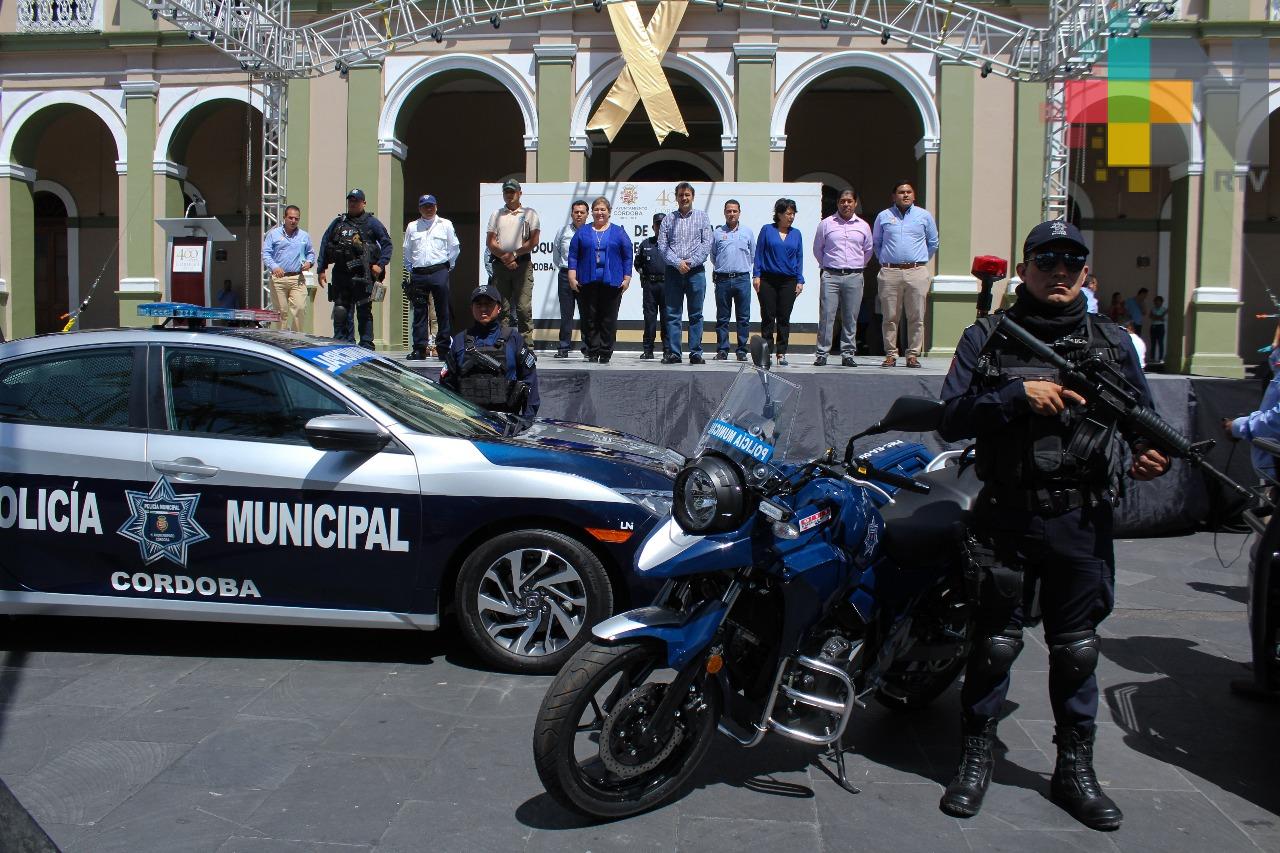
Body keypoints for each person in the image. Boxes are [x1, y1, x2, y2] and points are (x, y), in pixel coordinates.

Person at [937, 219, 1169, 832]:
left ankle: (1075, 771)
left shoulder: (1114, 342)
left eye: (1071, 262)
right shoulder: (986, 337)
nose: (1058, 273)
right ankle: (974, 759)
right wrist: (1019, 397)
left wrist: (1149, 458)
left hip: (1079, 518)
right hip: (1005, 514)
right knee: (991, 646)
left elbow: (1144, 424)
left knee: (1076, 651)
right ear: (1026, 267)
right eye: (1046, 261)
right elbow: (951, 418)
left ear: (1085, 272)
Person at [439, 284, 539, 418]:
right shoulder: (459, 340)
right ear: (471, 308)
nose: (483, 308)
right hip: (469, 423)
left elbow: (530, 380)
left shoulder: (513, 338)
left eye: (488, 303)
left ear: (499, 308)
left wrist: (528, 420)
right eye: (478, 304)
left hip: (507, 424)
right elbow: (446, 385)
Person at [873, 180, 938, 368]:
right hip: (889, 272)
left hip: (916, 272)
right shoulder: (884, 216)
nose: (905, 195)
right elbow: (876, 242)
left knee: (916, 316)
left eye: (909, 191)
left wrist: (920, 260)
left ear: (914, 195)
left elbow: (933, 242)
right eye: (901, 192)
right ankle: (891, 354)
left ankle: (912, 355)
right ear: (894, 196)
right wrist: (885, 261)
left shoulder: (924, 216)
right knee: (890, 316)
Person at [317, 189, 393, 349]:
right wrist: (321, 269)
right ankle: (343, 343)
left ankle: (366, 345)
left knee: (364, 311)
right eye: (350, 201)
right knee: (341, 310)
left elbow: (387, 244)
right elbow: (325, 242)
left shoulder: (372, 223)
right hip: (341, 274)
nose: (352, 204)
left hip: (362, 274)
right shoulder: (339, 222)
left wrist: (380, 264)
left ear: (363, 203)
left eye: (356, 201)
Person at [812, 188, 874, 367]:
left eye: (849, 201)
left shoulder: (863, 226)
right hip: (831, 275)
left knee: (850, 316)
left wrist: (857, 265)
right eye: (842, 201)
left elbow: (868, 250)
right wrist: (828, 266)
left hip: (854, 275)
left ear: (855, 203)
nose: (846, 204)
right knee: (827, 315)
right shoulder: (826, 224)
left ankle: (847, 353)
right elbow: (818, 249)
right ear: (838, 203)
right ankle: (822, 353)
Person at [567, 197, 633, 364]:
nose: (600, 213)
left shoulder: (619, 232)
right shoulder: (582, 232)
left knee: (608, 319)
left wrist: (627, 277)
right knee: (589, 317)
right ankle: (592, 351)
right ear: (592, 213)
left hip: (612, 284)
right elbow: (573, 255)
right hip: (587, 282)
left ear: (609, 212)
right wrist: (572, 276)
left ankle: (605, 352)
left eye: (603, 209)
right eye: (596, 209)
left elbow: (627, 255)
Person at [657, 181, 713, 365]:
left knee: (696, 314)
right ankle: (674, 353)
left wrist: (690, 262)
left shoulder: (702, 217)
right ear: (676, 198)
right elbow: (663, 246)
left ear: (692, 197)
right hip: (673, 272)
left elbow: (707, 244)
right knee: (673, 314)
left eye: (687, 195)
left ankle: (696, 352)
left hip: (695, 272)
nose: (684, 198)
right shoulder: (668, 220)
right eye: (681, 195)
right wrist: (678, 263)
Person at [402, 194, 460, 361]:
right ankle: (419, 348)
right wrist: (411, 269)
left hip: (439, 270)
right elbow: (407, 250)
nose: (428, 209)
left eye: (431, 206)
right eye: (425, 206)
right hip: (419, 272)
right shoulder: (413, 226)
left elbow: (454, 247)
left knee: (442, 310)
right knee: (419, 312)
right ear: (420, 208)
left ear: (436, 207)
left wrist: (449, 265)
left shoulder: (445, 224)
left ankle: (443, 348)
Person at [485, 179, 541, 341]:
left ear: (519, 193)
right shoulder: (497, 214)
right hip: (501, 266)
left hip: (522, 265)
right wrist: (505, 257)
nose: (509, 195)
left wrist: (514, 255)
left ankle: (526, 345)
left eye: (512, 192)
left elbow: (533, 241)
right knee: (502, 308)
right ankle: (502, 342)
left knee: (523, 308)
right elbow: (491, 241)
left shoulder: (530, 213)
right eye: (506, 192)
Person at [753, 198, 805, 367]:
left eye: (793, 214)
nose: (791, 217)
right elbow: (759, 253)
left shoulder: (796, 233)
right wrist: (756, 275)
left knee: (784, 317)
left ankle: (781, 353)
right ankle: (766, 352)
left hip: (788, 281)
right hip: (768, 279)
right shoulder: (767, 230)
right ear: (779, 214)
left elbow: (799, 257)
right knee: (768, 316)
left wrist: (800, 280)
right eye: (788, 213)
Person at [710, 199, 755, 361]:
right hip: (722, 280)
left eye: (734, 211)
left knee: (743, 318)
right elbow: (713, 256)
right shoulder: (717, 233)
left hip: (742, 279)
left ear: (739, 213)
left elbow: (752, 255)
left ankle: (742, 350)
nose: (731, 214)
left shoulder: (747, 232)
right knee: (722, 318)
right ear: (724, 213)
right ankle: (722, 350)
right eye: (728, 211)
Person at [261, 204, 315, 331]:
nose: (293, 221)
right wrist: (274, 267)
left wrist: (309, 262)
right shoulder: (273, 234)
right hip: (279, 278)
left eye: (296, 219)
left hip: (297, 278)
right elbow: (266, 253)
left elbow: (311, 253)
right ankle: (280, 340)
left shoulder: (304, 235)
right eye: (290, 218)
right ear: (284, 218)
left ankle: (296, 339)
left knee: (300, 308)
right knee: (281, 312)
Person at [552, 199, 590, 358]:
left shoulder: (592, 231)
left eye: (582, 212)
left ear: (587, 214)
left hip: (585, 276)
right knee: (566, 313)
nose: (579, 215)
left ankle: (588, 348)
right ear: (572, 214)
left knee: (587, 313)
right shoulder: (562, 231)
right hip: (566, 275)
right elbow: (556, 254)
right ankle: (563, 347)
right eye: (576, 212)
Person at [634, 213, 668, 359]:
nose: (659, 227)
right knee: (649, 319)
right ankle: (648, 350)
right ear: (653, 226)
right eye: (657, 224)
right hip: (650, 286)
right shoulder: (646, 244)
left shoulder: (672, 244)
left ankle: (668, 350)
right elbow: (637, 263)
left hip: (667, 286)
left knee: (667, 319)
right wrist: (643, 273)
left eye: (662, 224)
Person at [1149, 295, 1167, 362]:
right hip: (1153, 326)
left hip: (1160, 326)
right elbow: (1151, 316)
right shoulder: (1152, 309)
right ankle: (1152, 358)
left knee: (1160, 342)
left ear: (1161, 302)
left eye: (1158, 301)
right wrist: (1159, 317)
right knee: (1153, 342)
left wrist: (1157, 317)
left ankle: (1161, 358)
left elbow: (1162, 318)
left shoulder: (1164, 309)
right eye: (1156, 301)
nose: (1157, 303)